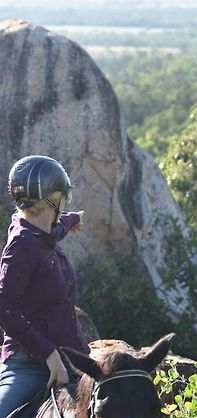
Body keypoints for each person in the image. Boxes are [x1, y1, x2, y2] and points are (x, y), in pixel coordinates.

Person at [0, 155, 90, 417]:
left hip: (73, 358)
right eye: (64, 197)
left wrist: (73, 218)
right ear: (54, 199)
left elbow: (56, 228)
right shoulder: (21, 246)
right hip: (29, 364)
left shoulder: (43, 230)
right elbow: (4, 308)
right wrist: (49, 354)